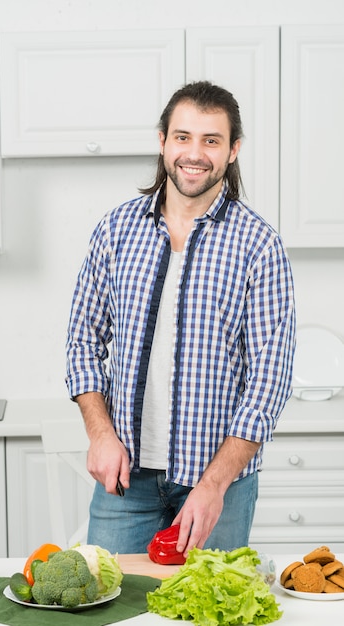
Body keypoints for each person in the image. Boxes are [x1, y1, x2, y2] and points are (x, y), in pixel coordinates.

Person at [65, 80, 296, 556]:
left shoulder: (259, 246)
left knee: (210, 611)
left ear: (232, 151)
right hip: (126, 481)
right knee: (111, 608)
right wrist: (101, 435)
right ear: (163, 141)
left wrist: (214, 485)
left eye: (211, 140)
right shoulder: (116, 230)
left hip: (219, 488)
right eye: (183, 137)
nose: (195, 153)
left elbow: (269, 380)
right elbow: (82, 340)